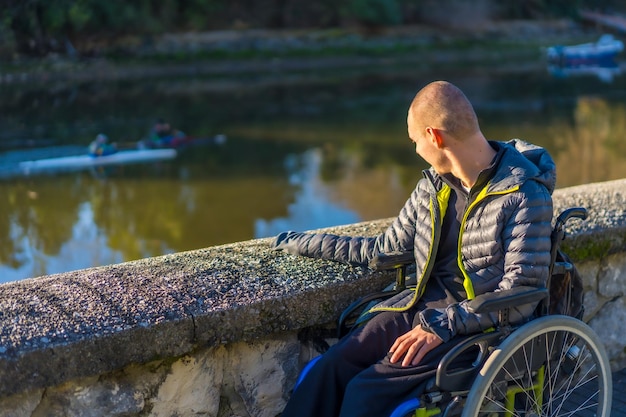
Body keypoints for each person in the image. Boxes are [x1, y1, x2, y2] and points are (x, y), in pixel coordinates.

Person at [271, 81, 555, 417]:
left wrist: (445, 324)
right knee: (331, 367)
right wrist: (298, 242)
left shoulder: (524, 195)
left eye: (415, 140)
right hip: (422, 307)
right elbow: (383, 250)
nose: (416, 149)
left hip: (481, 328)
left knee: (366, 391)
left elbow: (524, 289)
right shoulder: (432, 187)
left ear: (435, 137)